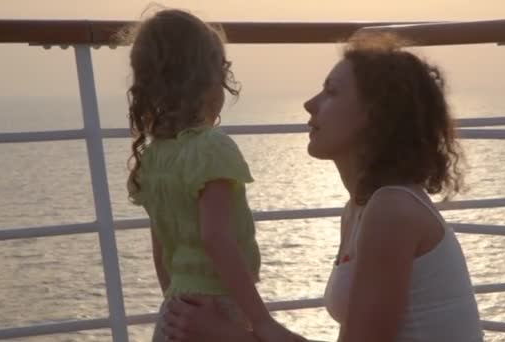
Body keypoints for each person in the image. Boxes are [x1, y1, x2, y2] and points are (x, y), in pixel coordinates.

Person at [162, 31, 484, 342]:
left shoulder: (392, 211)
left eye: (330, 92)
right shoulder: (359, 209)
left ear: (374, 114)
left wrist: (229, 336)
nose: (309, 104)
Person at [123, 8, 302, 342]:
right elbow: (216, 238)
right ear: (208, 82)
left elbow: (162, 253)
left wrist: (174, 305)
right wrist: (261, 321)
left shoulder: (154, 158)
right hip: (217, 309)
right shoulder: (211, 149)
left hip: (176, 313)